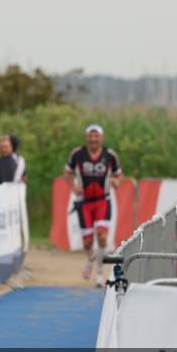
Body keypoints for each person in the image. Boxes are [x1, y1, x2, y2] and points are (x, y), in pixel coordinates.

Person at [64, 123, 123, 287]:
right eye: (90, 135)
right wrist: (73, 186)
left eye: (96, 136)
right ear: (86, 137)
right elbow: (67, 172)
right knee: (88, 242)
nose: (93, 139)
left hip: (103, 200)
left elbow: (119, 175)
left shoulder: (110, 155)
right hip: (84, 203)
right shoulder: (77, 153)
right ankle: (90, 259)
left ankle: (99, 273)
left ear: (102, 138)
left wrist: (115, 181)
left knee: (102, 237)